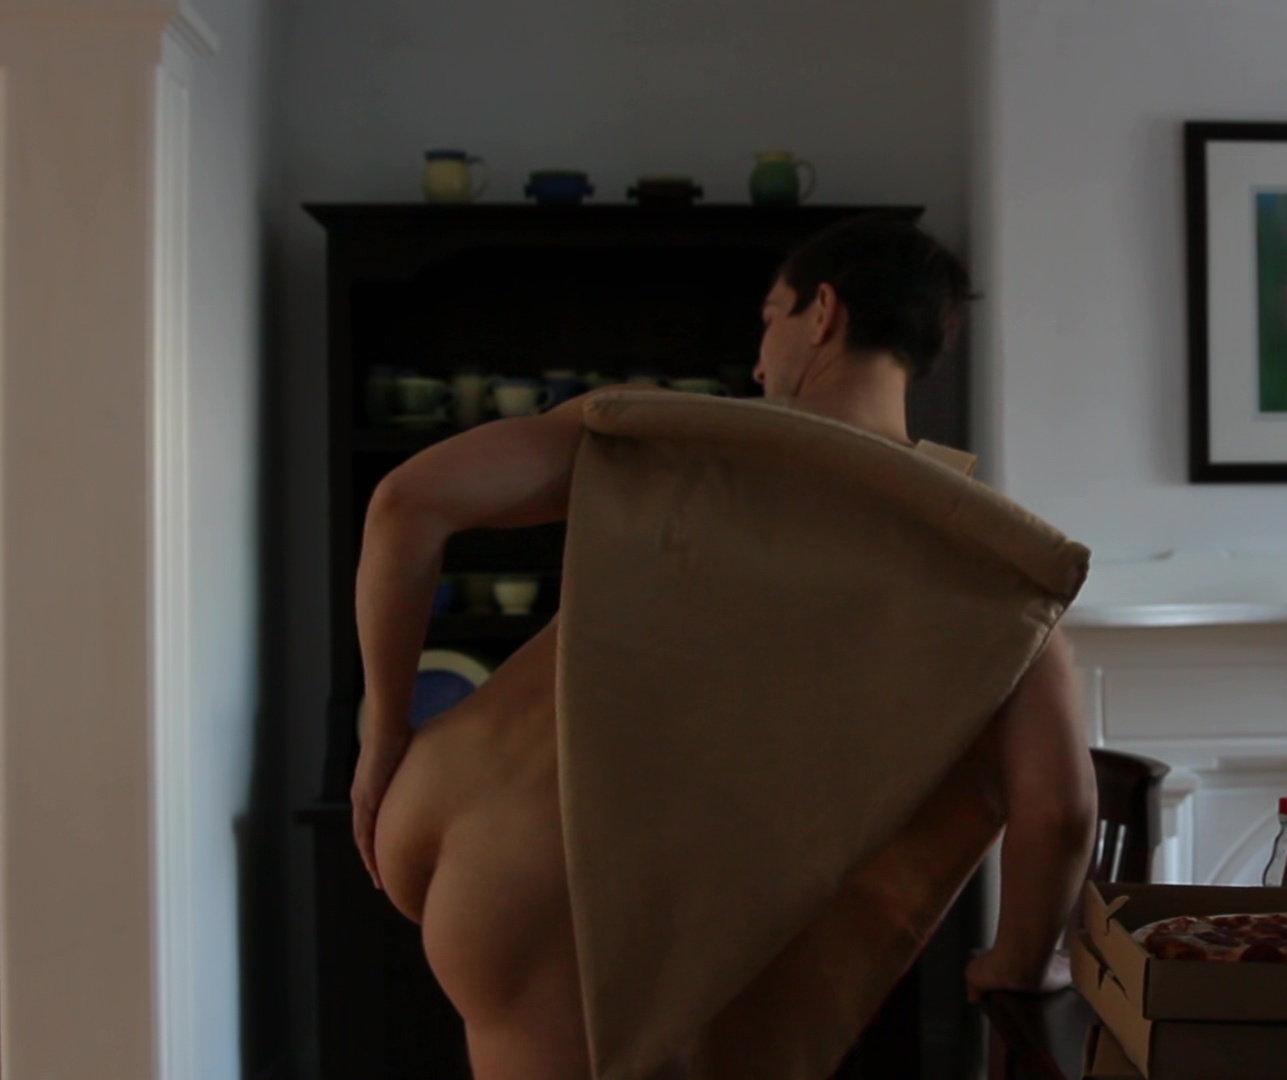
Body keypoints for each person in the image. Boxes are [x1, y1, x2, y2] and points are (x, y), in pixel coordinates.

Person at [355, 216, 1097, 1080]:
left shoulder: (657, 430)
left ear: (823, 314)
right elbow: (1059, 809)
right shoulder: (988, 567)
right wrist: (1016, 963)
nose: (756, 361)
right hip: (571, 892)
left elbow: (407, 503)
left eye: (769, 318)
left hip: (450, 803)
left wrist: (384, 739)